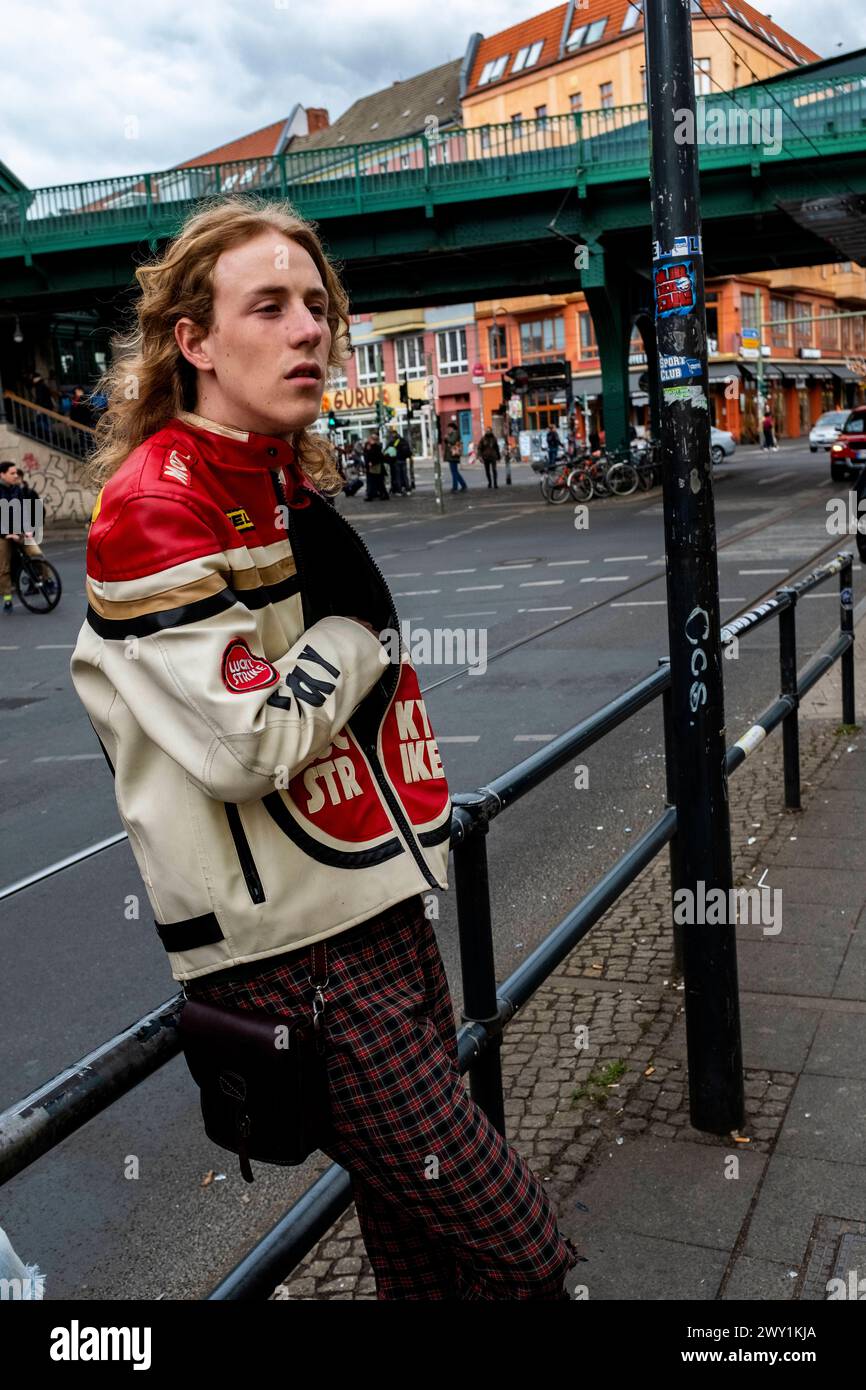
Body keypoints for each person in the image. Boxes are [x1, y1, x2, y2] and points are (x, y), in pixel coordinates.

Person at [67, 195, 580, 1300]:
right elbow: (246, 743)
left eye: (317, 305)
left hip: (376, 915)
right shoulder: (155, 504)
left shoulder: (280, 480)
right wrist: (352, 638)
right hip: (296, 963)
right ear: (192, 341)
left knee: (418, 1250)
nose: (310, 328)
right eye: (270, 306)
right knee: (522, 1251)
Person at [0, 460, 49, 611]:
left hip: (20, 530)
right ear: (2, 474)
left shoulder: (17, 489)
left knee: (37, 554)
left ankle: (47, 580)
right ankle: (7, 599)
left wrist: (28, 530)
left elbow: (24, 512)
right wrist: (6, 534)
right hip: (4, 534)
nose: (16, 476)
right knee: (3, 568)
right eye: (12, 473)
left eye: (16, 473)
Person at [363, 429, 388, 500]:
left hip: (376, 467)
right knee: (375, 482)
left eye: (370, 439)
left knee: (377, 482)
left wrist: (372, 462)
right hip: (372, 467)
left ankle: (379, 495)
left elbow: (378, 457)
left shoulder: (376, 447)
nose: (369, 440)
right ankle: (374, 495)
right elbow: (367, 455)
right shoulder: (369, 446)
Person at [444, 416, 467, 493]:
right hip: (451, 455)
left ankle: (455, 487)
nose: (448, 430)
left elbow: (452, 441)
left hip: (454, 455)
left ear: (452, 428)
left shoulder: (455, 434)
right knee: (455, 471)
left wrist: (447, 438)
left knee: (454, 472)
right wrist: (446, 438)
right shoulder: (452, 434)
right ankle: (462, 485)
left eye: (449, 428)